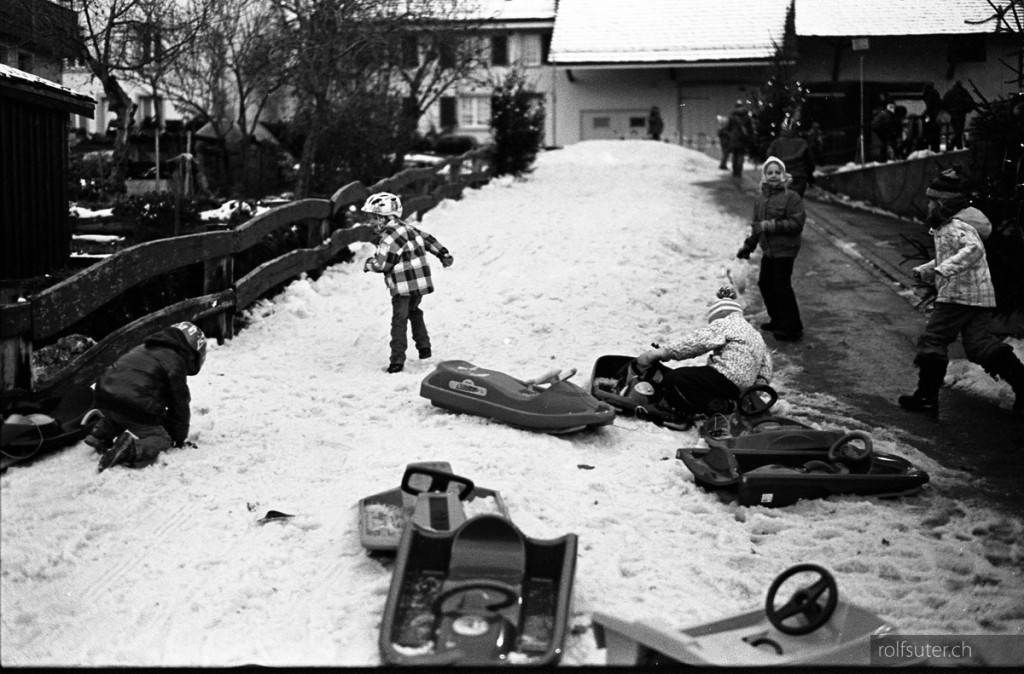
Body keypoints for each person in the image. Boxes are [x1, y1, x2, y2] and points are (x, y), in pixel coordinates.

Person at [899, 169, 1024, 415]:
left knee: (933, 339)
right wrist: (927, 270)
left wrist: (945, 269)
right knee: (979, 344)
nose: (928, 205)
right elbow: (949, 256)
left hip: (958, 294)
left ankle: (926, 397)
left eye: (931, 201)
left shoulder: (955, 225)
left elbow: (973, 250)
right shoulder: (952, 225)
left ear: (942, 203)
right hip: (978, 295)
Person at [85, 321, 207, 471]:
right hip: (132, 402)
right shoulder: (176, 361)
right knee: (161, 438)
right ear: (195, 353)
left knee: (122, 407)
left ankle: (101, 433)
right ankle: (131, 449)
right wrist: (178, 437)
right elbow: (179, 403)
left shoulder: (143, 347)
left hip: (104, 393)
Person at [635, 287, 773, 417]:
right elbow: (766, 368)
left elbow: (696, 343)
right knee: (701, 380)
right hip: (740, 388)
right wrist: (752, 392)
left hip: (725, 375)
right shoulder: (756, 335)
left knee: (676, 378)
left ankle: (694, 409)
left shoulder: (725, 323)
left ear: (718, 315)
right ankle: (727, 404)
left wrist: (663, 352)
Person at [362, 191, 454, 373]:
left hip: (402, 287)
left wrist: (368, 264)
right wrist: (443, 253)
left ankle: (397, 360)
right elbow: (429, 240)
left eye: (374, 218)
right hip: (419, 284)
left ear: (385, 218)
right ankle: (424, 347)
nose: (371, 222)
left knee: (399, 320)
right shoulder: (409, 229)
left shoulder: (388, 239)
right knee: (414, 311)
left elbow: (383, 264)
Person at [736, 156, 806, 341]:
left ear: (783, 175)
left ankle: (792, 327)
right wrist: (749, 245)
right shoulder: (760, 199)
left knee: (781, 286)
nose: (774, 175)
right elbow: (757, 225)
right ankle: (778, 319)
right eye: (770, 172)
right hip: (769, 250)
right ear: (764, 176)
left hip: (786, 249)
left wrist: (771, 225)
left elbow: (797, 223)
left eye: (777, 172)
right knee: (765, 284)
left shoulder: (792, 197)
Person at [766, 116, 814, 197]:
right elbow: (809, 161)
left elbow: (769, 157)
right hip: (799, 176)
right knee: (796, 201)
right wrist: (809, 175)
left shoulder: (777, 143)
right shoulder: (802, 143)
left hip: (782, 175)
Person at [724, 100, 753, 179]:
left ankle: (735, 172)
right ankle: (739, 172)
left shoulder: (732, 117)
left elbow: (727, 128)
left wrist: (730, 134)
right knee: (741, 155)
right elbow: (750, 129)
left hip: (733, 138)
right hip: (743, 138)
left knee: (735, 155)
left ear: (735, 107)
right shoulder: (747, 117)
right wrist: (750, 137)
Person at [942, 81, 975, 151]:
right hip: (960, 114)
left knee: (957, 131)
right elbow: (971, 102)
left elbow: (944, 103)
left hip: (952, 115)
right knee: (959, 131)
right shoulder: (963, 92)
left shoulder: (949, 93)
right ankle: (956, 146)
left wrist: (948, 111)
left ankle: (954, 146)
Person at [921, 83, 943, 152]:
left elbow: (930, 108)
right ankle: (935, 150)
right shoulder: (935, 95)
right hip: (935, 119)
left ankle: (929, 149)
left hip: (932, 119)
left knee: (929, 135)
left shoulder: (930, 96)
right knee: (935, 136)